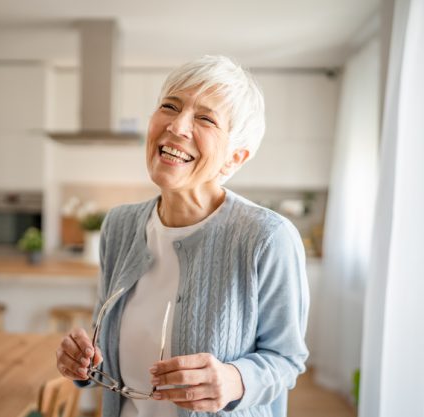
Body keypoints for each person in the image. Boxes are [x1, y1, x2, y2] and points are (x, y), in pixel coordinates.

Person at [56, 55, 309, 417]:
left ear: (234, 158)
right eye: (169, 106)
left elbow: (286, 359)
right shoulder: (119, 225)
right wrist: (82, 360)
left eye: (205, 118)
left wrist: (234, 379)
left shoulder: (267, 237)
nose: (177, 126)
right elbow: (102, 339)